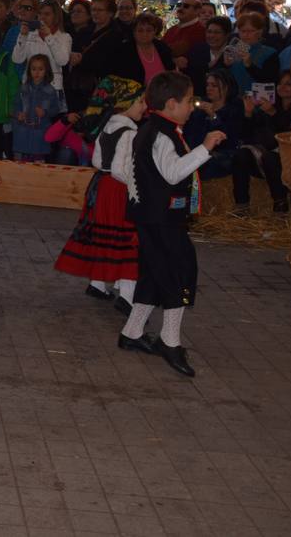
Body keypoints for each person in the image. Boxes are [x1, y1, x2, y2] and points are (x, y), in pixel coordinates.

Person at [120, 71, 226, 378]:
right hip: (160, 218)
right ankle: (170, 341)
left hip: (154, 216)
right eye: (188, 101)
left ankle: (132, 332)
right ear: (171, 103)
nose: (192, 107)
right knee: (178, 270)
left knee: (155, 271)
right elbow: (173, 172)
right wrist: (205, 148)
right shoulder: (161, 135)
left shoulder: (156, 130)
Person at [54, 77, 145, 311]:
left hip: (101, 185)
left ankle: (98, 284)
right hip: (118, 189)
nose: (144, 107)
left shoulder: (107, 126)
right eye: (140, 102)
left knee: (103, 233)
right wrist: (138, 187)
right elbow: (120, 170)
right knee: (125, 239)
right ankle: (127, 296)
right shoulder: (130, 133)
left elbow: (97, 160)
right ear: (125, 103)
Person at [235, 70, 291, 213]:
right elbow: (246, 134)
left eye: (288, 84)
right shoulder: (269, 104)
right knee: (241, 155)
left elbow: (288, 136)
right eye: (280, 83)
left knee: (270, 158)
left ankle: (280, 205)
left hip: (289, 158)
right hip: (264, 152)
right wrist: (248, 113)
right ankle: (241, 206)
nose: (282, 87)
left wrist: (273, 113)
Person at [11, 0, 71, 94]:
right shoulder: (29, 35)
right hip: (30, 87)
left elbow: (62, 61)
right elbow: (17, 59)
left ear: (55, 17)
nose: (42, 17)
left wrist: (49, 37)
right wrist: (22, 36)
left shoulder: (64, 37)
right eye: (40, 14)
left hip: (53, 88)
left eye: (47, 14)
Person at [12, 54, 62, 161]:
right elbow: (14, 107)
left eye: (40, 69)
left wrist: (45, 112)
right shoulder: (23, 88)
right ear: (29, 71)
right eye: (33, 69)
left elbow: (56, 109)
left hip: (40, 137)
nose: (37, 72)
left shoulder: (50, 90)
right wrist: (18, 114)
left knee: (38, 167)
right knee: (19, 166)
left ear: (46, 70)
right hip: (22, 135)